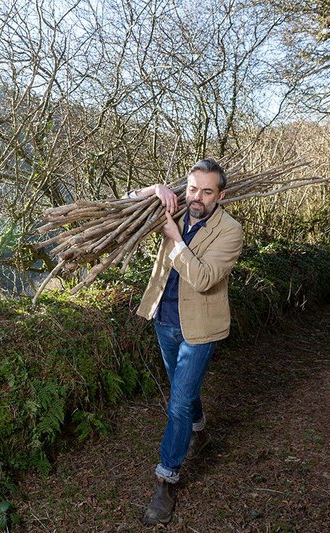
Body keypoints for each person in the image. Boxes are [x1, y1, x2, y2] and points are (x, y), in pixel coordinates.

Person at [130, 158, 243, 525]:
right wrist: (153, 191)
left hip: (200, 328)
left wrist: (175, 239)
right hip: (164, 318)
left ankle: (166, 479)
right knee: (184, 390)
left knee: (178, 402)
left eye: (207, 191)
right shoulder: (172, 207)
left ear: (220, 195)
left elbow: (205, 278)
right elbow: (124, 204)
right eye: (192, 188)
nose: (197, 197)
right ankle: (200, 430)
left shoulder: (230, 231)